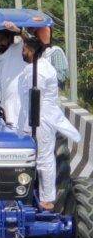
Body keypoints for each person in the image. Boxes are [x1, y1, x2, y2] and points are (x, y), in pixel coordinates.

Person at [17, 31, 80, 210]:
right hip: (31, 118)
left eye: (24, 49)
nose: (22, 52)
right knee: (26, 158)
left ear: (30, 51)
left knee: (44, 159)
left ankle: (47, 199)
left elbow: (34, 97)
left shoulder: (39, 71)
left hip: (40, 118)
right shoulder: (37, 66)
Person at [0, 23, 26, 126]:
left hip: (22, 102)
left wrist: (18, 31)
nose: (0, 43)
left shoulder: (17, 49)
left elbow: (29, 40)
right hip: (6, 105)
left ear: (8, 39)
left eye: (2, 39)